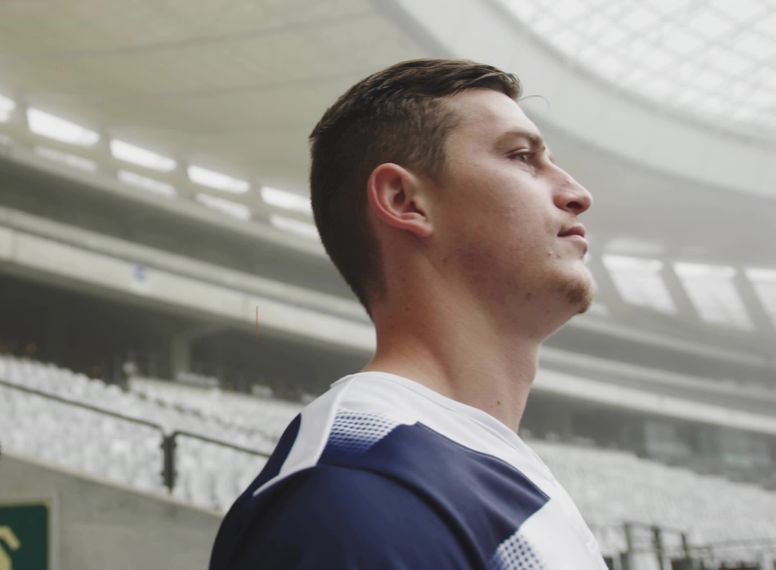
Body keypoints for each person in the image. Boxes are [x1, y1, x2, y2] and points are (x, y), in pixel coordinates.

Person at [211, 59, 607, 568]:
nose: (578, 194)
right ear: (405, 201)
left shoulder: (446, 471)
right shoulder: (354, 491)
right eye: (522, 157)